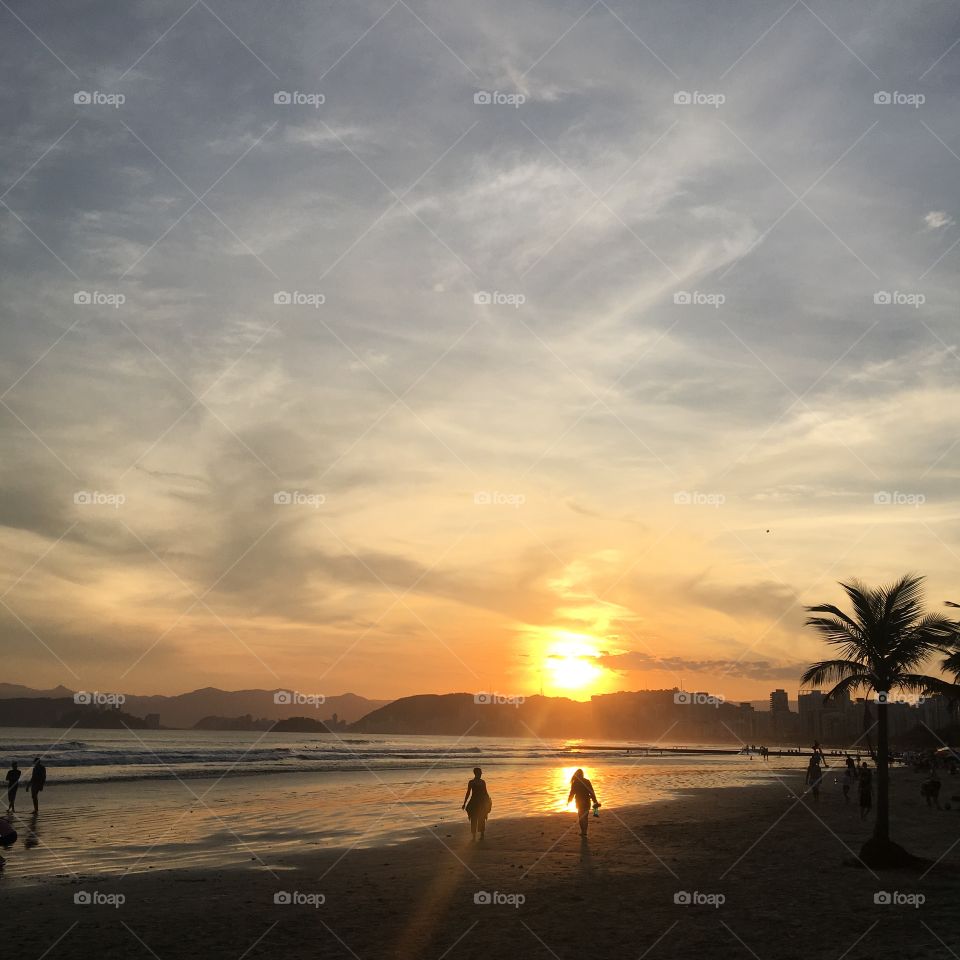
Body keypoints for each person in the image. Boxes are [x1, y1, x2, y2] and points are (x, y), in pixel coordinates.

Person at [567, 768, 600, 837]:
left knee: (581, 817)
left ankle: (583, 832)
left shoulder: (575, 782)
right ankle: (584, 832)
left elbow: (572, 793)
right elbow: (591, 792)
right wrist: (595, 801)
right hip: (587, 801)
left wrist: (569, 801)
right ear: (582, 774)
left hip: (579, 802)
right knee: (585, 817)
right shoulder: (587, 781)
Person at [461, 767, 492, 841]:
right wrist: (464, 803)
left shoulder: (483, 782)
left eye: (481, 773)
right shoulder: (471, 782)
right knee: (473, 819)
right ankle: (474, 837)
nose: (481, 774)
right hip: (474, 802)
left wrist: (488, 801)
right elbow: (468, 793)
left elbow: (485, 792)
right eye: (480, 772)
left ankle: (482, 835)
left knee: (482, 818)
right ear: (476, 773)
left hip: (481, 802)